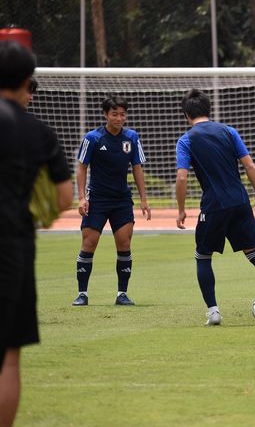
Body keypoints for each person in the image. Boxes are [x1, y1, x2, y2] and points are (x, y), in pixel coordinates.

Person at [175, 89, 255, 326]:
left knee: (203, 256)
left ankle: (213, 311)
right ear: (208, 110)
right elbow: (249, 166)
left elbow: (181, 177)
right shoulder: (229, 131)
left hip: (214, 206)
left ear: (187, 114)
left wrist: (180, 209)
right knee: (254, 253)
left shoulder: (186, 139)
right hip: (240, 202)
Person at [0, 41, 73, 427]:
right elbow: (63, 197)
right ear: (29, 81)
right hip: (13, 244)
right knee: (9, 355)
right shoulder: (39, 132)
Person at [72, 95, 151, 306]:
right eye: (114, 114)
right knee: (89, 243)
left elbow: (137, 167)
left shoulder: (132, 137)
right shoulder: (93, 138)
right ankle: (82, 294)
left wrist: (143, 198)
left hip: (122, 200)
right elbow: (81, 167)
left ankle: (122, 294)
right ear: (106, 114)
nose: (119, 118)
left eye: (123, 114)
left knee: (124, 243)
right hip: (97, 199)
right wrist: (81, 198)